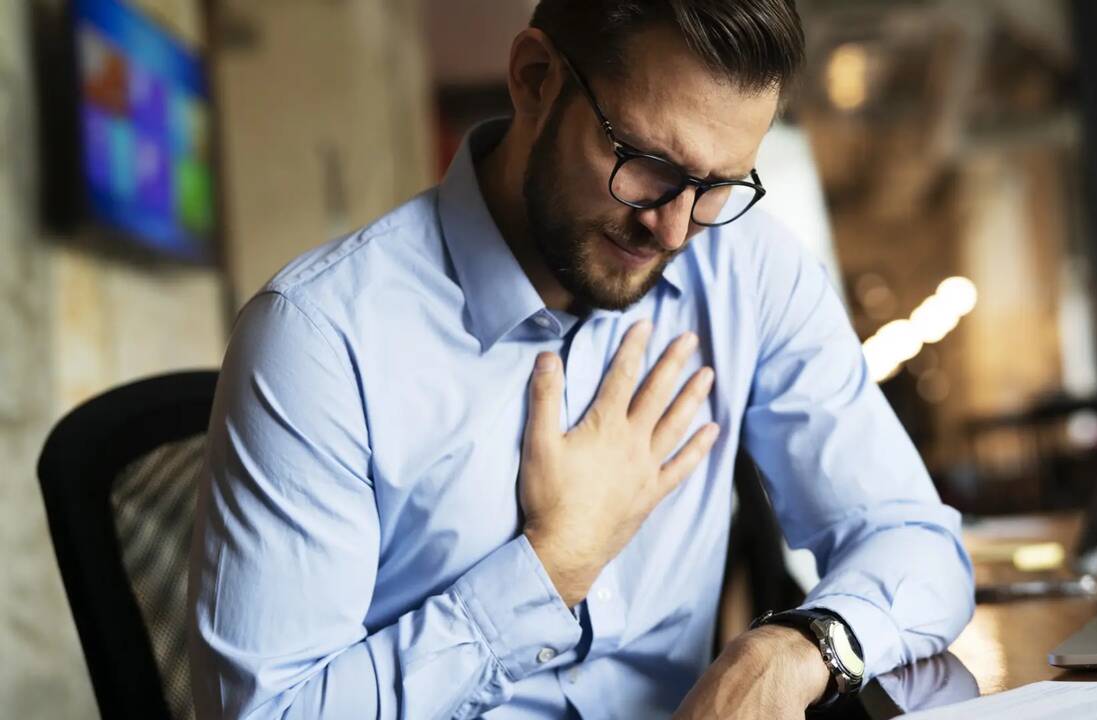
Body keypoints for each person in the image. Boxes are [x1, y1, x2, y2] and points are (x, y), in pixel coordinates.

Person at [187, 1, 974, 718]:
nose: (673, 231)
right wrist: (552, 566)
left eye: (716, 186)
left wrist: (800, 647)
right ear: (535, 79)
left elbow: (917, 544)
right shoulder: (319, 340)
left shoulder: (745, 268)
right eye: (648, 165)